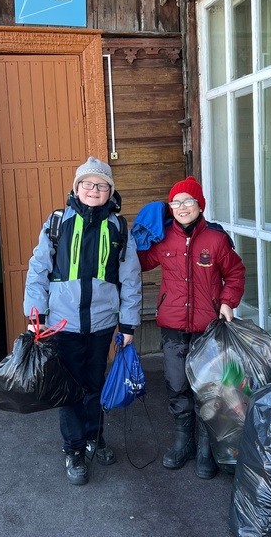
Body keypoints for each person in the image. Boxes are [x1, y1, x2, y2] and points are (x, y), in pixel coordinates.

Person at [24, 156, 142, 486]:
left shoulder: (119, 227)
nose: (93, 190)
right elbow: (38, 272)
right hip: (63, 325)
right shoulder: (58, 223)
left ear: (110, 191)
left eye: (101, 185)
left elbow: (130, 279)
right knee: (71, 389)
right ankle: (74, 448)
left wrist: (128, 324)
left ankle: (95, 437)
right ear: (76, 188)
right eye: (87, 184)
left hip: (102, 324)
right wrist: (36, 317)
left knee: (95, 384)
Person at [137, 176, 245, 479]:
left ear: (200, 206)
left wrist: (227, 302)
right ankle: (183, 441)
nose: (182, 207)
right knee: (176, 383)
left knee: (209, 388)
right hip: (173, 326)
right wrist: (139, 234)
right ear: (170, 207)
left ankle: (205, 447)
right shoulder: (162, 238)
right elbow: (140, 263)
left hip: (208, 327)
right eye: (176, 202)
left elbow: (235, 273)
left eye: (188, 201)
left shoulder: (216, 239)